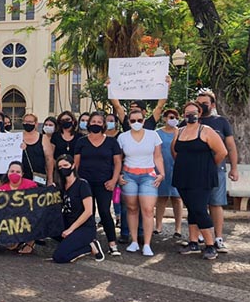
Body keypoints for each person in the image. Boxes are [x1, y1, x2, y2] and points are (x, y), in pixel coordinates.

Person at [172, 101, 228, 260]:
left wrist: (208, 166)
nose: (190, 115)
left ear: (199, 114)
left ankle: (210, 245)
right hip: (183, 177)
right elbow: (174, 152)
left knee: (199, 209)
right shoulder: (179, 131)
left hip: (202, 178)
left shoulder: (207, 131)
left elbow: (221, 152)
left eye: (193, 112)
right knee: (191, 209)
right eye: (187, 112)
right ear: (183, 115)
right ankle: (193, 242)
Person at [117, 108, 165, 256]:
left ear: (144, 120)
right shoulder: (123, 137)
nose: (136, 123)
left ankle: (147, 244)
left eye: (139, 120)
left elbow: (158, 156)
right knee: (131, 208)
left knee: (148, 210)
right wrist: (118, 175)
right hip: (129, 175)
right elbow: (118, 158)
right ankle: (134, 241)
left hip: (148, 175)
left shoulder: (153, 135)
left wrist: (162, 173)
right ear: (128, 122)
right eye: (133, 121)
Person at [73, 111, 123, 255]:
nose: (96, 124)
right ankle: (90, 243)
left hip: (105, 183)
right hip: (85, 184)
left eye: (99, 122)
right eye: (93, 121)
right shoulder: (81, 141)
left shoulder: (112, 142)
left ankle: (112, 244)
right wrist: (76, 182)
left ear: (104, 125)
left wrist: (114, 180)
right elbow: (76, 163)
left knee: (105, 212)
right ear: (89, 124)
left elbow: (117, 162)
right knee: (88, 214)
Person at [196, 89, 239, 251]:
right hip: (196, 171)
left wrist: (234, 168)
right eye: (198, 103)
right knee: (198, 204)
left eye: (204, 103)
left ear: (212, 105)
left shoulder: (221, 122)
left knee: (216, 204)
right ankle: (201, 235)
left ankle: (218, 237)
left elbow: (231, 147)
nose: (201, 106)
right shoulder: (190, 121)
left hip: (216, 170)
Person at [52, 155, 105, 264]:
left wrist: (70, 229)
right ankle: (77, 243)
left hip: (84, 227)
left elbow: (88, 211)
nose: (63, 169)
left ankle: (89, 246)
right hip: (67, 224)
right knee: (47, 227)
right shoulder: (61, 186)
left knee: (59, 257)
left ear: (73, 165)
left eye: (65, 165)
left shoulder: (82, 184)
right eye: (60, 167)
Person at [0, 161, 38, 254]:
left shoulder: (31, 185)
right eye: (12, 171)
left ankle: (30, 242)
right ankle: (16, 240)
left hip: (27, 216)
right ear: (7, 173)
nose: (14, 174)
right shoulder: (2, 189)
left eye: (18, 172)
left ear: (22, 174)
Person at [155, 108, 184, 240]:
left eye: (176, 117)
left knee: (177, 199)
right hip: (162, 168)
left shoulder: (182, 132)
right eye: (171, 117)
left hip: (177, 168)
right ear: (165, 118)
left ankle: (178, 228)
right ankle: (158, 226)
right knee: (162, 197)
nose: (173, 120)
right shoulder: (157, 133)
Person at [21, 113, 52, 185]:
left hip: (39, 176)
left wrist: (50, 179)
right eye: (25, 122)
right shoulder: (18, 137)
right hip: (22, 176)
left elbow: (49, 159)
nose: (27, 124)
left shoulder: (44, 138)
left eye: (30, 122)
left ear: (36, 124)